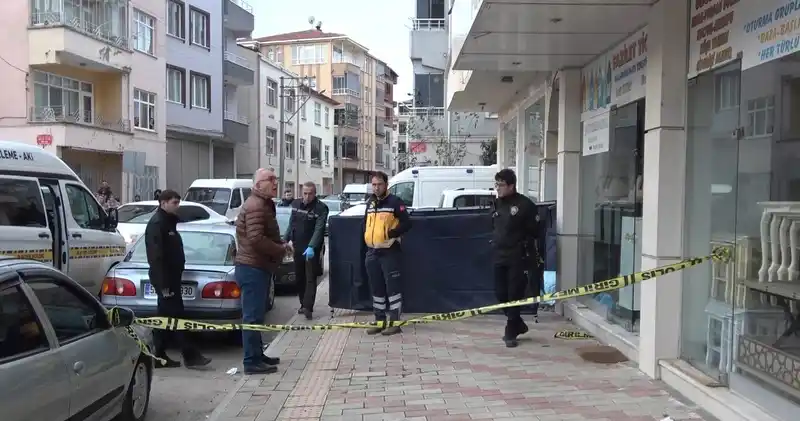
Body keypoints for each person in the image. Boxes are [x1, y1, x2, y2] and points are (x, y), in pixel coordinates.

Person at [144, 190, 211, 368]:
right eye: (174, 203)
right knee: (177, 318)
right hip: (166, 280)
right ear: (163, 203)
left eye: (178, 203)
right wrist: (164, 285)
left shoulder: (168, 222)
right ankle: (190, 356)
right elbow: (156, 257)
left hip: (172, 278)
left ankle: (157, 355)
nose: (177, 206)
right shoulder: (158, 224)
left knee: (165, 319)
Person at [235, 168, 288, 374]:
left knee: (258, 316)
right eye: (270, 179)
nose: (275, 183)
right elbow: (256, 239)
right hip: (252, 268)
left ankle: (258, 355)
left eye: (276, 178)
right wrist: (280, 249)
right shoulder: (255, 205)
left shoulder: (263, 203)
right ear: (258, 184)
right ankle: (251, 361)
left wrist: (280, 244)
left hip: (258, 267)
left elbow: (265, 234)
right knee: (252, 317)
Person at [490, 169, 539, 348]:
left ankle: (511, 330)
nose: (498, 188)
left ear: (511, 186)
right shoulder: (496, 204)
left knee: (514, 294)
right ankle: (518, 323)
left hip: (517, 256)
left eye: (501, 185)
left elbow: (536, 231)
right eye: (496, 184)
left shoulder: (525, 205)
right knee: (500, 294)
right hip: (499, 255)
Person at [362, 172, 412, 336]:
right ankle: (380, 321)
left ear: (386, 185)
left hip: (389, 252)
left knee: (393, 290)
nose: (376, 188)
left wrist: (392, 233)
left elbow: (407, 223)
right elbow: (366, 224)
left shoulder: (395, 202)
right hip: (372, 252)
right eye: (374, 185)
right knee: (377, 290)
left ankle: (395, 323)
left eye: (379, 184)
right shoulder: (370, 203)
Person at [285, 181, 328, 320]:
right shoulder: (296, 204)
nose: (307, 196)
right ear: (301, 192)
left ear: (315, 193)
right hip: (297, 246)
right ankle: (303, 304)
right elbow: (291, 224)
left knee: (310, 278)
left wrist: (312, 246)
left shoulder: (321, 208)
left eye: (310, 194)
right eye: (305, 193)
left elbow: (319, 229)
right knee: (300, 277)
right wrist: (285, 240)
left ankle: (308, 307)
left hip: (311, 249)